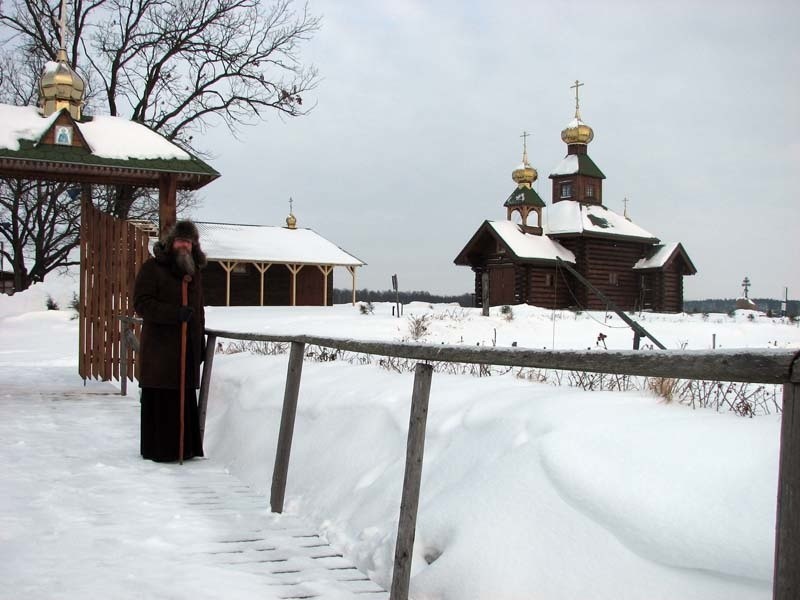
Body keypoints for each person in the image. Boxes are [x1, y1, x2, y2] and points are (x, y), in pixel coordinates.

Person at [133, 220, 207, 462]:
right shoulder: (152, 268)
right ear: (170, 242)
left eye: (188, 241)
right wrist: (174, 314)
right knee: (163, 399)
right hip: (161, 352)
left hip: (187, 350)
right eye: (179, 240)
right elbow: (142, 303)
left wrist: (200, 342)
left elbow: (199, 310)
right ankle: (162, 450)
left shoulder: (193, 271)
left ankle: (185, 448)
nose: (183, 245)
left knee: (183, 398)